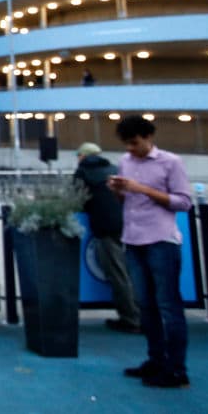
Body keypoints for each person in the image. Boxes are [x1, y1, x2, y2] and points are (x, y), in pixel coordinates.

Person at [111, 115, 193, 389]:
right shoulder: (125, 162)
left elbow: (183, 202)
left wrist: (141, 189)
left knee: (168, 304)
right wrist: (119, 191)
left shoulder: (171, 162)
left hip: (161, 239)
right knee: (146, 305)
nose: (131, 149)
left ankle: (177, 368)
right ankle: (156, 359)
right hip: (133, 239)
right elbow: (128, 200)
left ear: (148, 138)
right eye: (127, 145)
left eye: (134, 143)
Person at [74, 142, 140, 334]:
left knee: (117, 273)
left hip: (105, 226)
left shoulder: (83, 172)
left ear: (82, 157)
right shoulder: (114, 169)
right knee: (132, 271)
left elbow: (77, 199)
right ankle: (143, 314)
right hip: (127, 223)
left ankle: (131, 318)